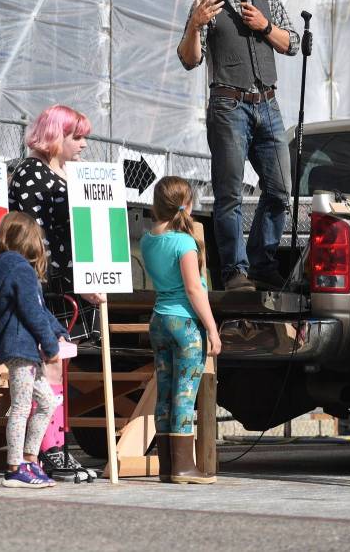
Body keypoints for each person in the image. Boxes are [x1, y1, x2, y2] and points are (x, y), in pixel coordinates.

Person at [176, 0, 300, 292]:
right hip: (228, 105)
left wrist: (265, 25)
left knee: (280, 189)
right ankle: (234, 271)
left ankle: (261, 262)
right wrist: (196, 25)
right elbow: (189, 59)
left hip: (268, 104)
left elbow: (291, 44)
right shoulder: (207, 4)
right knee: (229, 193)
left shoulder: (267, 0)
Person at [8, 104, 100, 480]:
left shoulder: (65, 173)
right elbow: (30, 234)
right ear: (53, 137)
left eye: (83, 137)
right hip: (46, 283)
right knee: (49, 365)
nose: (82, 144)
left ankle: (54, 446)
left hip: (68, 281)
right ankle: (47, 449)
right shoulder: (32, 172)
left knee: (60, 365)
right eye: (75, 137)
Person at [141, 176, 221, 485]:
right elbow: (194, 288)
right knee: (185, 395)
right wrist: (212, 330)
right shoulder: (184, 242)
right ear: (186, 205)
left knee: (165, 391)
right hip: (185, 323)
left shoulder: (148, 240)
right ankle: (184, 467)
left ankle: (167, 465)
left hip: (159, 319)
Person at [0, 212, 66, 488]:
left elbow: (38, 310)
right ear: (29, 240)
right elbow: (33, 312)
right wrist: (51, 345)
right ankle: (15, 467)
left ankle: (29, 458)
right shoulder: (21, 270)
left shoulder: (8, 267)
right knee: (21, 406)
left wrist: (58, 330)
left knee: (46, 402)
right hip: (22, 348)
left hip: (20, 346)